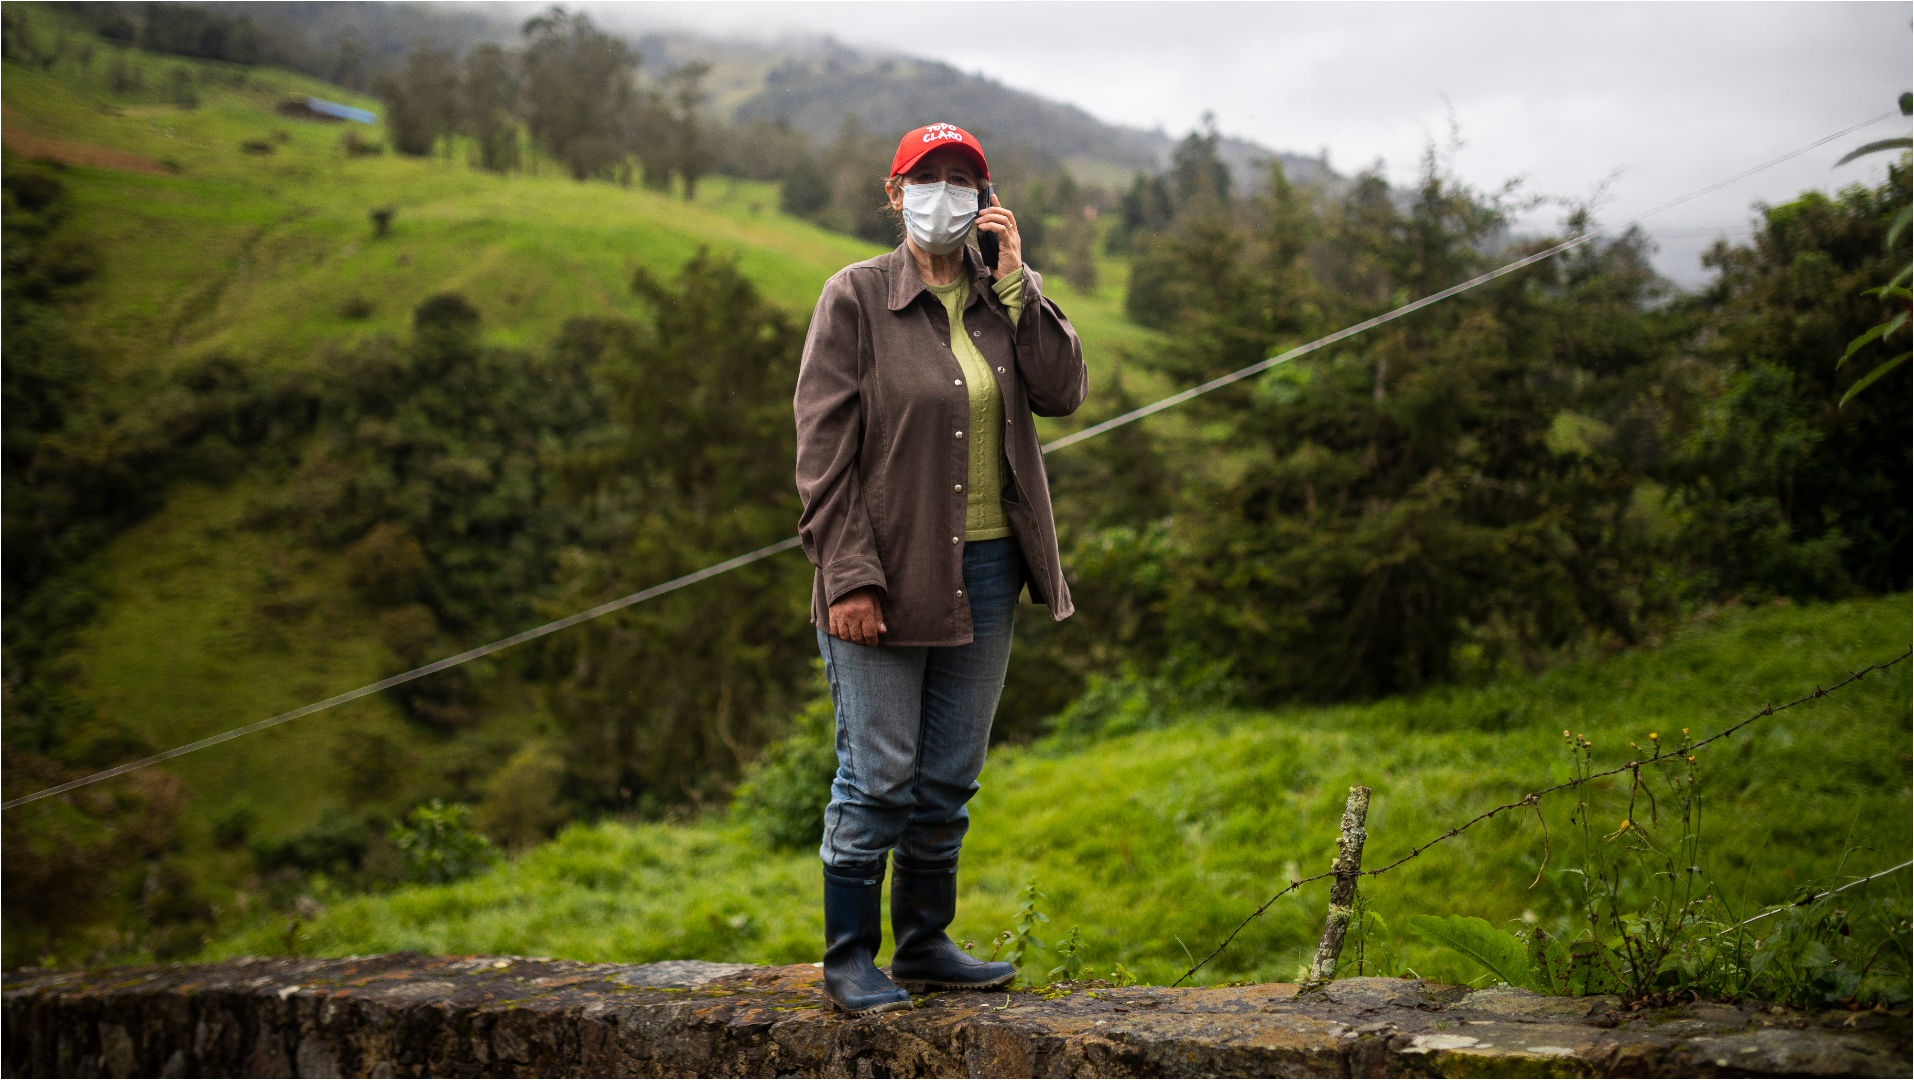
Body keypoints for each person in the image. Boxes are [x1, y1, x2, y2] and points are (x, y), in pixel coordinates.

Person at [793, 122, 1087, 1015]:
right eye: (929, 179)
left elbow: (1064, 390)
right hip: (883, 572)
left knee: (948, 777)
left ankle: (923, 945)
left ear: (988, 201)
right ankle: (850, 958)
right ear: (895, 193)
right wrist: (848, 577)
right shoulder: (853, 299)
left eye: (965, 181)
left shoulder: (1006, 297)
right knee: (877, 774)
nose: (946, 196)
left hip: (990, 570)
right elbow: (821, 456)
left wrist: (1018, 285)